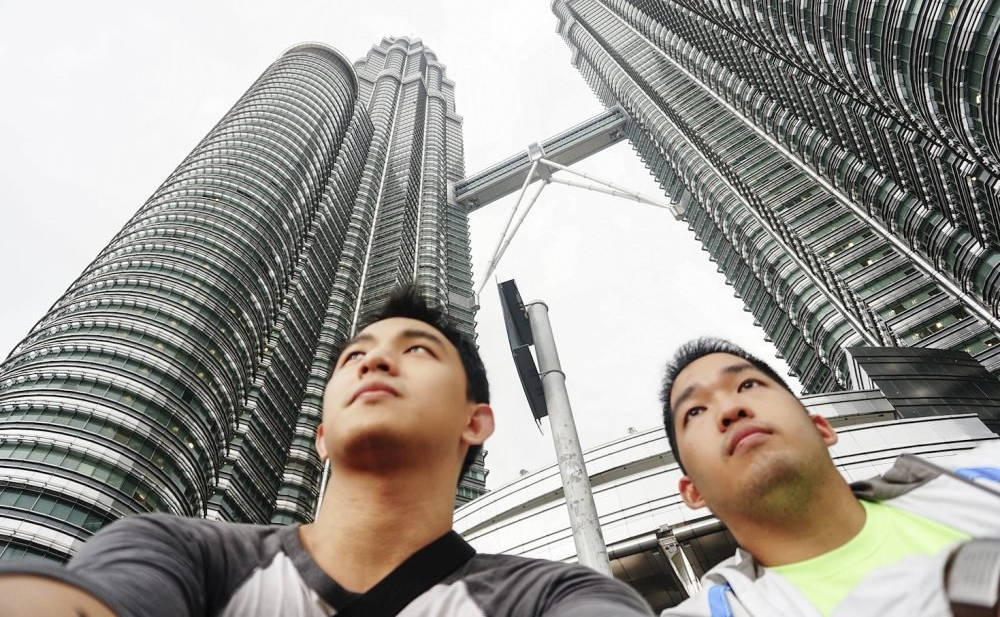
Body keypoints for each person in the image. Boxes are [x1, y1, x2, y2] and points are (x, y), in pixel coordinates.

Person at [0, 285, 652, 617]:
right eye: (355, 355)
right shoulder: (187, 553)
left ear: (475, 421)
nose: (376, 360)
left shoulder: (547, 595)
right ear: (320, 434)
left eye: (417, 350)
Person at [659, 337, 1000, 617]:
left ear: (821, 427)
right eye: (695, 411)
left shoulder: (985, 477)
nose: (730, 410)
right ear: (693, 493)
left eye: (747, 384)